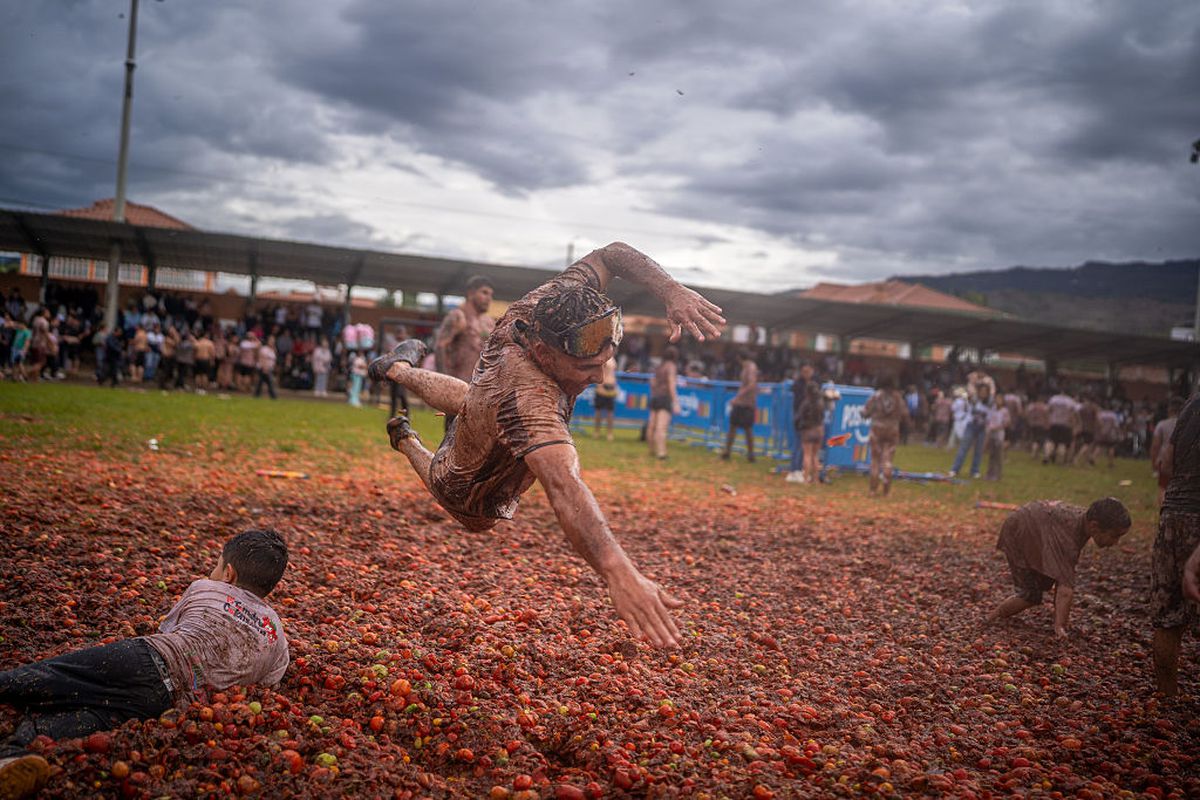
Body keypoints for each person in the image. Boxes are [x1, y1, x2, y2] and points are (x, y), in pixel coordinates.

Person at [369, 242, 724, 648]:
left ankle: (396, 368)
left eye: (606, 362)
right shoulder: (528, 397)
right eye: (587, 368)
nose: (600, 379)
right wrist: (618, 571)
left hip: (491, 383)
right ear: (543, 353)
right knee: (471, 510)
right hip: (487, 429)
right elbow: (564, 486)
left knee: (476, 402)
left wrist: (672, 291)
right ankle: (406, 439)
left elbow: (611, 254)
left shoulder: (555, 301)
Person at [0, 529, 289, 799]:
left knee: (40, 678)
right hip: (164, 705)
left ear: (228, 573)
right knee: (81, 720)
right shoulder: (277, 635)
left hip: (142, 660)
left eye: (216, 565)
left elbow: (168, 630)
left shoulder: (205, 588)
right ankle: (11, 757)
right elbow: (264, 686)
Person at [986, 497, 1131, 637]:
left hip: (1033, 524)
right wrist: (1061, 627)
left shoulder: (1081, 522)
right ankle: (993, 617)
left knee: (1044, 582)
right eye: (1114, 536)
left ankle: (994, 617)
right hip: (1019, 531)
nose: (1116, 542)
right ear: (1094, 526)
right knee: (1030, 595)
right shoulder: (1069, 540)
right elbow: (1065, 589)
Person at [1151, 393, 1200, 696]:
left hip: (1174, 515)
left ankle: (1167, 695)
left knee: (1167, 615)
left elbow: (1165, 461)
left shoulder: (1194, 404)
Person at [435, 276, 495, 428]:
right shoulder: (458, 316)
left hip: (482, 391)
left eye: (491, 295)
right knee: (452, 438)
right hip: (458, 387)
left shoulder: (489, 322)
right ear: (470, 293)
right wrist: (445, 384)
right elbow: (440, 347)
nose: (489, 298)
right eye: (484, 293)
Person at [863, 374, 909, 494]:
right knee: (887, 459)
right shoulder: (898, 397)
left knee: (875, 459)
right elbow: (905, 414)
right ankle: (886, 491)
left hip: (877, 428)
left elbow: (865, 412)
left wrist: (864, 413)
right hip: (892, 429)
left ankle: (872, 490)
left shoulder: (876, 396)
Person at [722, 349, 759, 462]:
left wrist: (738, 397)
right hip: (742, 402)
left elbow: (752, 384)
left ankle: (751, 454)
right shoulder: (747, 367)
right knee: (733, 427)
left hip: (747, 403)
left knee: (747, 429)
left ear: (739, 357)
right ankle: (727, 452)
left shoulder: (750, 367)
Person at [949, 384, 991, 478]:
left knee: (978, 450)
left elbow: (989, 416)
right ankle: (955, 469)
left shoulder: (989, 403)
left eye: (985, 392)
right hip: (971, 426)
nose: (983, 393)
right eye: (982, 391)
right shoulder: (972, 400)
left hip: (982, 428)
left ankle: (975, 470)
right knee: (963, 448)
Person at [647, 346, 680, 461]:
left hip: (655, 397)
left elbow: (653, 382)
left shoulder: (659, 367)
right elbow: (671, 384)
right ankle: (661, 453)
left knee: (652, 426)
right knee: (661, 427)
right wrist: (675, 402)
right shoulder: (671, 367)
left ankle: (651, 450)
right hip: (664, 398)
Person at [789, 379, 824, 484]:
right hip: (819, 430)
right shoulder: (820, 403)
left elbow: (799, 417)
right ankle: (816, 478)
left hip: (808, 430)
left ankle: (805, 478)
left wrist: (797, 426)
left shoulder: (806, 403)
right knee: (815, 455)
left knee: (807, 455)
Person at [1151, 397, 1183, 508]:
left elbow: (1155, 445)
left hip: (1164, 460)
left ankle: (1163, 512)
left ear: (1169, 410)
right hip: (1182, 460)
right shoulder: (1185, 424)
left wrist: (1154, 462)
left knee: (1163, 487)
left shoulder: (1162, 424)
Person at [787, 363, 816, 478]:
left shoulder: (814, 384)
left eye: (808, 371)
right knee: (799, 445)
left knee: (805, 448)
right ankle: (795, 470)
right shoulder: (798, 385)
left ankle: (800, 470)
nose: (807, 374)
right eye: (804, 371)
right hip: (801, 420)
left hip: (807, 420)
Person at [1044, 389, 1079, 464]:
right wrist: (1074, 425)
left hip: (1054, 423)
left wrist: (1047, 421)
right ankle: (1060, 459)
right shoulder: (1071, 401)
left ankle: (1047, 456)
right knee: (1063, 443)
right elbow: (1073, 414)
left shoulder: (1053, 399)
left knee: (1050, 440)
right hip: (1065, 424)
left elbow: (1048, 411)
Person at [984, 393, 1011, 481]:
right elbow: (988, 420)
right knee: (991, 455)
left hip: (999, 435)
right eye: (997, 399)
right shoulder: (992, 409)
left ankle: (997, 474)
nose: (998, 401)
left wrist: (997, 427)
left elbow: (1007, 423)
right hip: (991, 434)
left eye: (1000, 399)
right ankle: (990, 473)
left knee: (998, 456)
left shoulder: (1004, 411)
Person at [593, 356, 619, 441]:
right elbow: (600, 371)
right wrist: (599, 386)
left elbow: (613, 374)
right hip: (603, 385)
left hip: (611, 386)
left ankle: (609, 433)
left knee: (610, 412)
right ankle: (597, 432)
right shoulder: (604, 357)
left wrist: (615, 386)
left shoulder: (613, 359)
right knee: (598, 411)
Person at [254, 334, 278, 400]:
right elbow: (262, 358)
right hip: (264, 368)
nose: (272, 341)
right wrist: (265, 368)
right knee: (270, 382)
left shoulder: (273, 350)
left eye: (273, 340)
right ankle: (273, 396)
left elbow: (273, 360)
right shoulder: (264, 349)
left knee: (261, 382)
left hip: (269, 368)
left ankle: (256, 395)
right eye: (271, 340)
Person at [194, 330, 215, 394]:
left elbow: (194, 352)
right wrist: (212, 361)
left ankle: (198, 388)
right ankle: (203, 388)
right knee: (204, 374)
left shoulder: (198, 342)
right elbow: (212, 353)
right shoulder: (209, 343)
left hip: (198, 359)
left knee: (198, 374)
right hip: (205, 359)